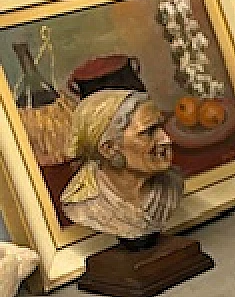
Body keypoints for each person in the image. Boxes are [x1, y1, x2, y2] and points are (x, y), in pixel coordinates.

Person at [61, 89, 184, 241]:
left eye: (161, 127)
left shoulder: (172, 184)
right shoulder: (85, 205)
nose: (166, 139)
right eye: (149, 131)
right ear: (109, 149)